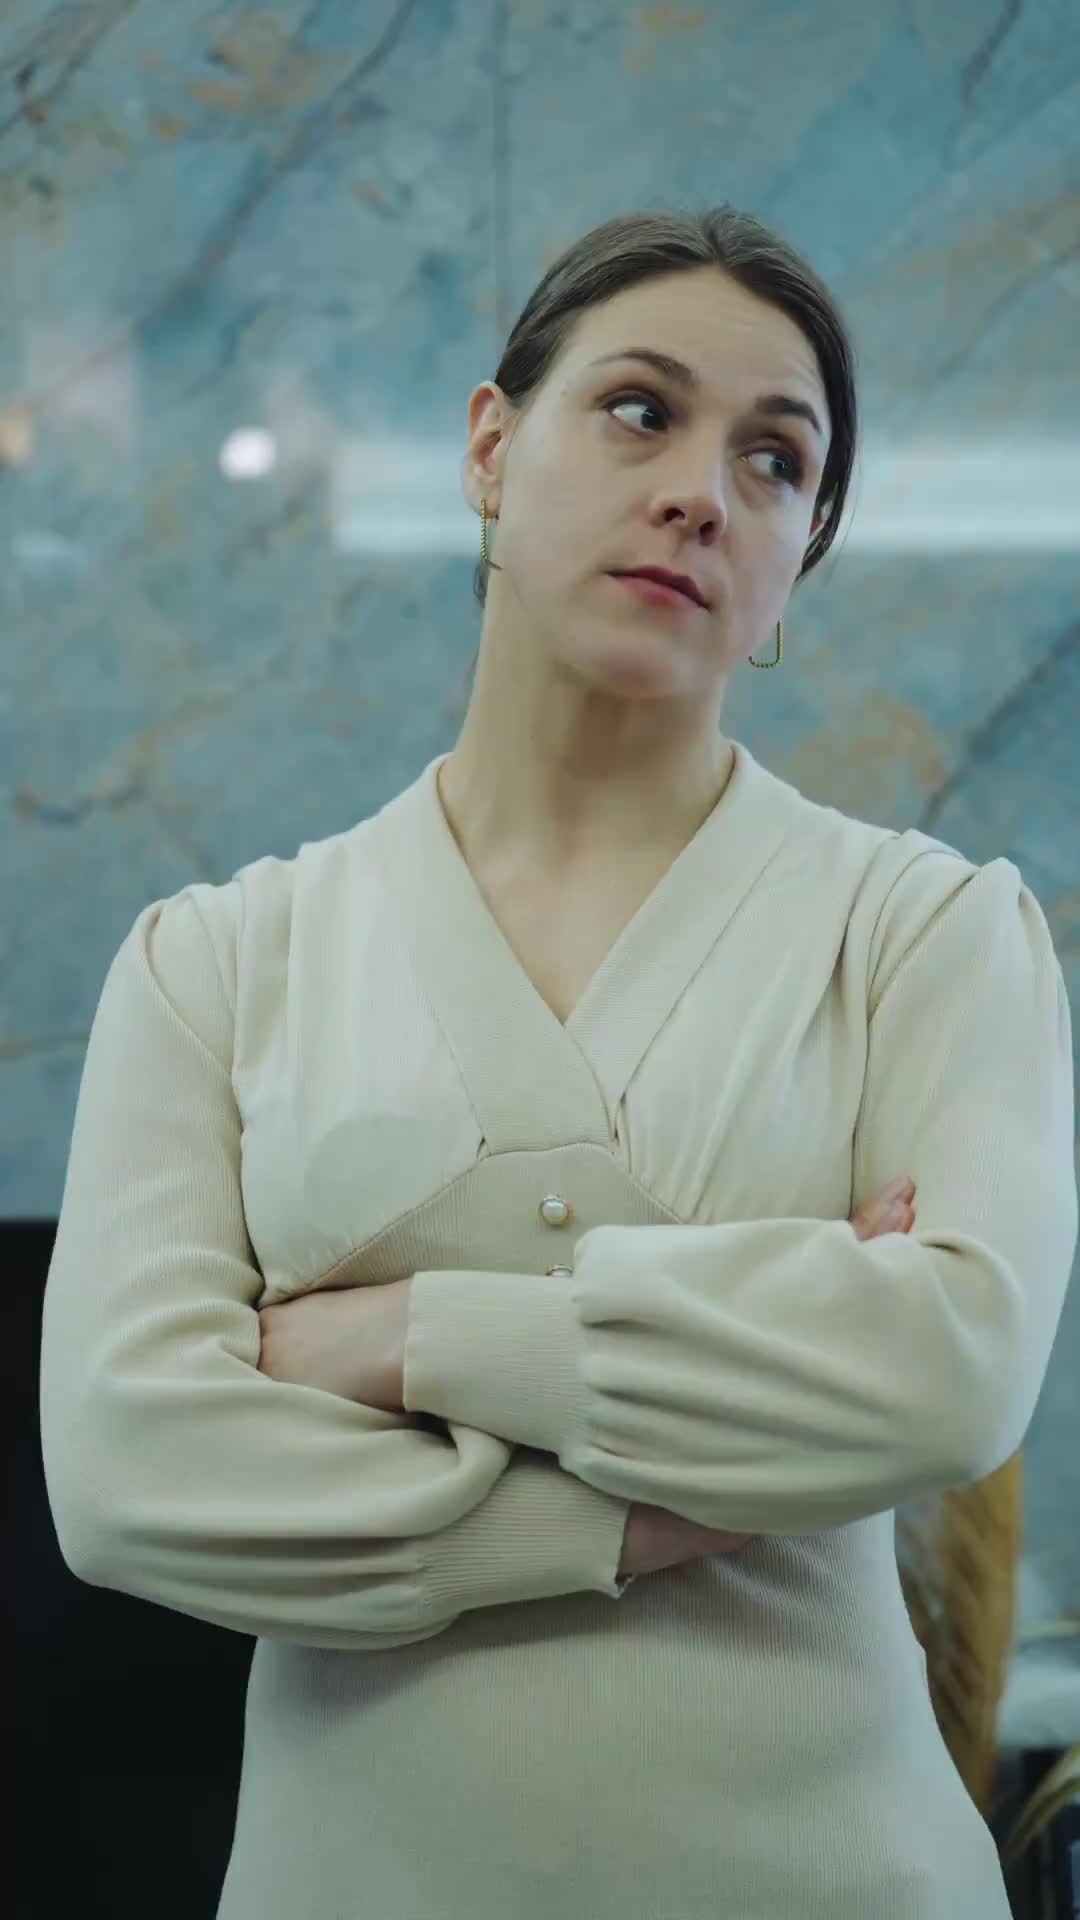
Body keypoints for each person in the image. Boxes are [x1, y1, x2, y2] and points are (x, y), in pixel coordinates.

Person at [39, 206, 1076, 1919]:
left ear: (801, 557)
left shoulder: (930, 934)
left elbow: (949, 1373)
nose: (701, 492)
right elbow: (128, 1477)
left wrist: (399, 1339)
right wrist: (637, 1520)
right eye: (639, 410)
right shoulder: (216, 965)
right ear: (487, 448)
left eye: (774, 460)